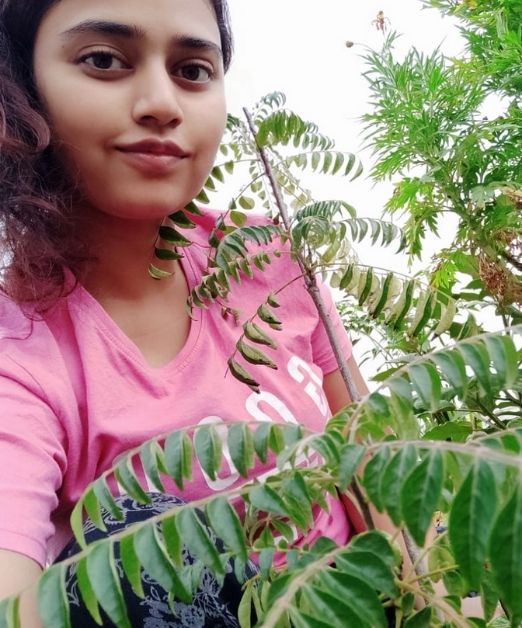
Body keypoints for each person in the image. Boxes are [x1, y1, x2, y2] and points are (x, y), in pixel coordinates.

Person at [0, 0, 373, 625]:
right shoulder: (22, 354)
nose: (162, 104)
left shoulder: (271, 256)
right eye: (103, 60)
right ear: (21, 86)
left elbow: (373, 461)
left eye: (193, 69)